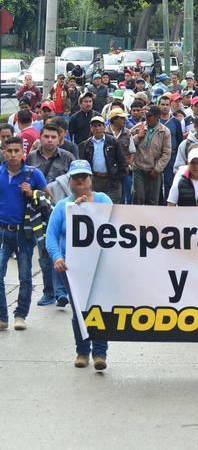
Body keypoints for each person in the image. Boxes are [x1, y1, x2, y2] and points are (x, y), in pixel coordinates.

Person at [45, 160, 112, 369]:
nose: (80, 181)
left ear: (91, 179)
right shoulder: (62, 206)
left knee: (98, 309)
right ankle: (82, 351)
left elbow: (117, 228)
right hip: (71, 268)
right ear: (70, 181)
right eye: (76, 178)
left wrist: (89, 210)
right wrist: (57, 257)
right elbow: (51, 236)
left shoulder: (103, 200)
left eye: (84, 177)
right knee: (79, 310)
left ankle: (100, 354)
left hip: (98, 265)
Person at [0, 136, 48, 331]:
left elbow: (48, 197)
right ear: (3, 152)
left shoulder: (33, 174)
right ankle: (2, 316)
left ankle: (20, 314)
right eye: (9, 151)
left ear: (23, 153)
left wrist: (32, 193)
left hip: (25, 233)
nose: (12, 155)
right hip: (3, 232)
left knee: (25, 275)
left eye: (16, 151)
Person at [27, 123, 75, 307]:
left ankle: (62, 291)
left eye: (53, 137)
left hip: (62, 210)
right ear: (40, 137)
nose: (49, 140)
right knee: (44, 254)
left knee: (62, 252)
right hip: (39, 212)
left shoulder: (68, 158)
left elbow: (76, 182)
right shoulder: (31, 157)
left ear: (59, 138)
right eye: (46, 136)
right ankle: (49, 292)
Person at [77, 115, 127, 204]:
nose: (97, 128)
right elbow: (84, 163)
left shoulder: (113, 142)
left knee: (112, 208)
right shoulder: (86, 144)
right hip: (94, 181)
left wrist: (117, 176)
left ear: (104, 127)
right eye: (94, 126)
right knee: (95, 207)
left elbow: (122, 161)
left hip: (111, 181)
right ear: (91, 128)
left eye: (100, 125)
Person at [131, 105, 172, 205]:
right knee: (138, 197)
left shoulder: (164, 131)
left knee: (153, 200)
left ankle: (151, 221)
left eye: (150, 116)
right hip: (139, 168)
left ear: (158, 117)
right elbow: (129, 145)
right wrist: (138, 137)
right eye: (146, 115)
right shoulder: (138, 127)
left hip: (154, 170)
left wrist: (157, 169)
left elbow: (167, 153)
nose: (147, 118)